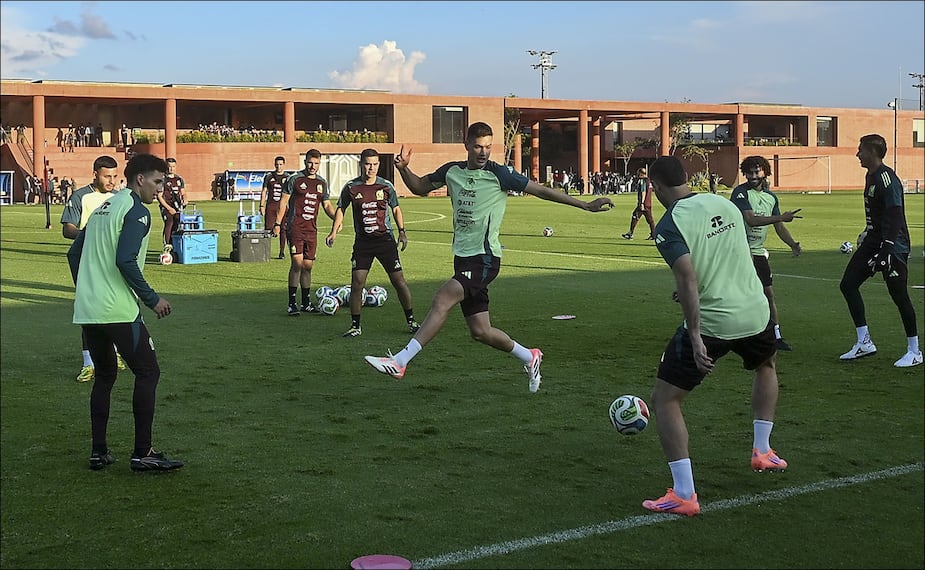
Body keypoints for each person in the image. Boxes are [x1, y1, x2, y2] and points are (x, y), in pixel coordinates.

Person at [364, 122, 613, 392]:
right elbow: (420, 187)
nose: (483, 152)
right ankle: (530, 356)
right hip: (463, 258)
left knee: (443, 298)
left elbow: (540, 190)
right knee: (480, 331)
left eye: (488, 147)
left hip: (485, 258)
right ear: (467, 145)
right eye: (478, 146)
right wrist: (403, 170)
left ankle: (400, 361)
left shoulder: (500, 174)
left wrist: (585, 205)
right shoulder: (452, 171)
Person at [641, 155, 786, 518]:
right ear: (687, 177)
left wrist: (694, 334)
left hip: (716, 321)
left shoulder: (668, 225)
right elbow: (731, 256)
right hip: (756, 311)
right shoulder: (724, 202)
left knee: (665, 399)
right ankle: (763, 451)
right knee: (766, 365)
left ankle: (685, 494)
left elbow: (688, 278)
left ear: (656, 187)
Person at [66, 153, 184, 472]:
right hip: (117, 308)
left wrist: (87, 288)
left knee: (105, 376)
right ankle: (143, 452)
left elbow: (73, 253)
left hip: (89, 309)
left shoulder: (104, 207)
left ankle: (98, 451)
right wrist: (152, 299)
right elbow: (125, 260)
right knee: (148, 372)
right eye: (157, 182)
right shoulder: (136, 211)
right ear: (140, 179)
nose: (159, 190)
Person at [838, 134, 921, 367]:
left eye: (860, 150)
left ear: (873, 152)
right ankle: (864, 342)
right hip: (874, 241)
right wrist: (868, 231)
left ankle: (914, 351)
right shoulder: (870, 176)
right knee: (848, 284)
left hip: (893, 245)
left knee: (899, 295)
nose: (857, 154)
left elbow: (895, 215)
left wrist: (888, 248)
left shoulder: (886, 178)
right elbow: (879, 214)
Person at [325, 148, 420, 338]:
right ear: (361, 164)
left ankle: (411, 321)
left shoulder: (386, 186)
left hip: (385, 241)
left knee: (399, 281)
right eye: (368, 164)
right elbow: (341, 208)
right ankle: (355, 326)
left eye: (375, 164)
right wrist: (334, 231)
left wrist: (402, 232)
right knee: (357, 283)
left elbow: (396, 209)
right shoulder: (351, 187)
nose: (371, 168)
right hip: (363, 243)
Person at [61, 155, 127, 382]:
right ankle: (89, 363)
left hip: (111, 262)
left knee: (115, 306)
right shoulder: (81, 196)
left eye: (114, 176)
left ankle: (115, 354)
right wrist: (92, 235)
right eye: (106, 176)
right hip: (86, 261)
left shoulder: (120, 198)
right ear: (95, 174)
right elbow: (68, 229)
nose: (111, 181)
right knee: (89, 311)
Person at [729, 155, 803, 351]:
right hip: (739, 251)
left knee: (768, 293)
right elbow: (751, 220)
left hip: (758, 252)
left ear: (765, 172)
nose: (753, 176)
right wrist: (781, 216)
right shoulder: (740, 193)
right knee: (739, 294)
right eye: (749, 172)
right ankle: (734, 333)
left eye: (757, 171)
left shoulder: (771, 197)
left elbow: (778, 226)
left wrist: (792, 244)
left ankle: (775, 335)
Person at [272, 148, 336, 316]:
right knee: (297, 264)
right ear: (305, 161)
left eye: (316, 163)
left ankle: (306, 303)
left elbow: (327, 205)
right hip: (295, 228)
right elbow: (283, 202)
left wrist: (337, 218)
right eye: (310, 162)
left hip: (311, 230)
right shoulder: (294, 179)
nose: (312, 166)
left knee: (308, 267)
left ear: (319, 163)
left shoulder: (322, 183)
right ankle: (292, 303)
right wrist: (278, 224)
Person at [260, 156, 290, 259]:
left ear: (284, 165)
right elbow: (264, 191)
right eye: (277, 164)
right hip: (271, 207)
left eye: (281, 164)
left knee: (283, 230)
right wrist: (262, 205)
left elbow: (291, 194)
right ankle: (265, 251)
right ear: (274, 165)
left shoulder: (288, 178)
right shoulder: (269, 176)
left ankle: (281, 252)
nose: (279, 166)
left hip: (283, 208)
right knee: (268, 229)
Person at [156, 157, 186, 249]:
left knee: (178, 221)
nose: (171, 168)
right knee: (169, 221)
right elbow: (159, 196)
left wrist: (185, 199)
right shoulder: (162, 179)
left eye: (173, 166)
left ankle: (174, 243)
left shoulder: (179, 179)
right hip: (166, 206)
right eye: (169, 166)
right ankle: (167, 244)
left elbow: (183, 192)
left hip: (177, 205)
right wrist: (169, 208)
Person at [621, 167, 656, 240]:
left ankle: (630, 233)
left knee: (635, 216)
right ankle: (653, 234)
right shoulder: (649, 181)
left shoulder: (642, 181)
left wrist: (642, 203)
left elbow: (643, 192)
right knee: (650, 220)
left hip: (643, 204)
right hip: (649, 203)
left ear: (641, 173)